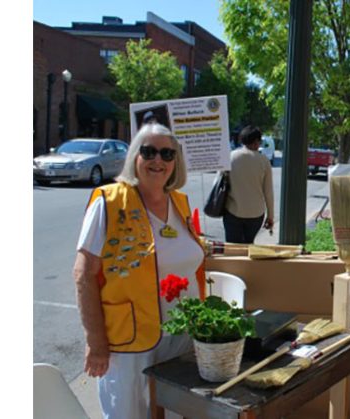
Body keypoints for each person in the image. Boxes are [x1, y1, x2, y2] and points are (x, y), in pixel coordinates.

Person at [73, 122, 211, 419]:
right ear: (135, 156)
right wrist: (95, 342)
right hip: (129, 342)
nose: (158, 160)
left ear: (176, 161)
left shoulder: (181, 203)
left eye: (166, 153)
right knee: (130, 413)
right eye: (149, 152)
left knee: (174, 413)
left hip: (181, 336)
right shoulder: (109, 202)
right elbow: (83, 275)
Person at [224, 125, 274, 244]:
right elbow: (268, 192)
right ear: (256, 141)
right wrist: (270, 216)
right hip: (256, 214)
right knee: (249, 245)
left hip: (233, 210)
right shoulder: (264, 161)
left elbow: (219, 183)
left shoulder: (231, 157)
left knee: (233, 247)